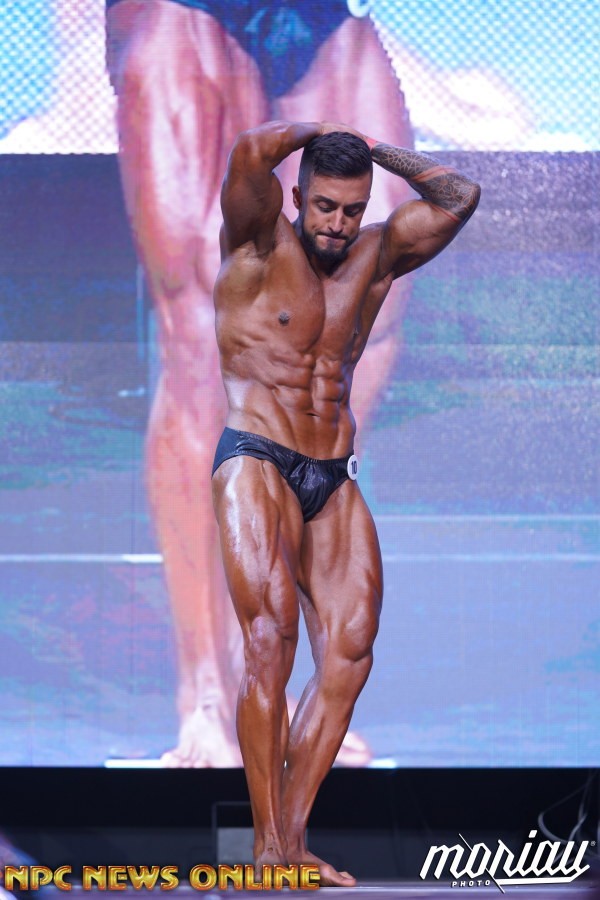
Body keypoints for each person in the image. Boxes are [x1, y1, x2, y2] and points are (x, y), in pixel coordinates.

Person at [105, 0, 414, 767]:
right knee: (200, 320)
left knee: (368, 310)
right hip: (188, 9)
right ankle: (209, 695)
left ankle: (274, 673)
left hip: (322, 14)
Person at [212, 121, 480, 884]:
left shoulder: (377, 254)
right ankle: (265, 848)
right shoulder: (256, 244)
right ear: (298, 197)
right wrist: (322, 130)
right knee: (272, 638)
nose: (336, 223)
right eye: (324, 206)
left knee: (350, 653)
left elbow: (459, 196)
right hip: (257, 455)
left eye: (351, 209)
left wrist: (374, 150)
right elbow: (249, 156)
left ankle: (293, 843)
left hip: (333, 472)